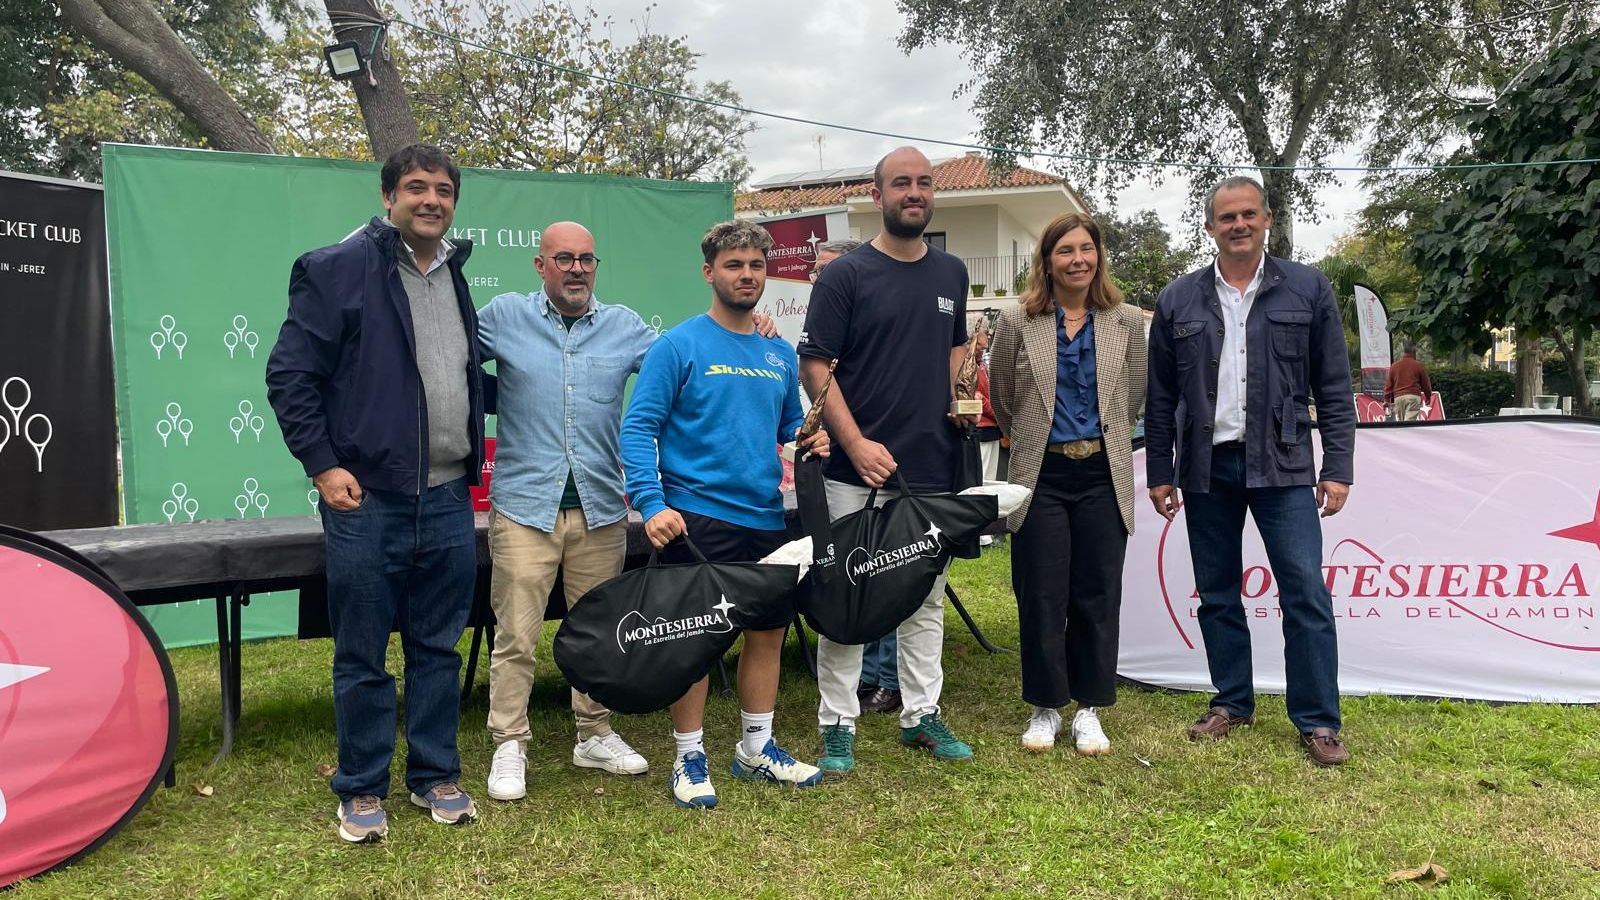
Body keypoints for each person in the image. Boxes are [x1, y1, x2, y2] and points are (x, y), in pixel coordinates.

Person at [478, 222, 781, 802]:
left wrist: (754, 329)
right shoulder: (503, 317)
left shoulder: (627, 328)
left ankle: (593, 732)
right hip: (524, 506)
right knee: (516, 635)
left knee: (602, 629)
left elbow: (692, 356)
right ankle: (509, 742)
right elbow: (447, 346)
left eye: (586, 259)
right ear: (540, 265)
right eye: (563, 259)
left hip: (599, 506)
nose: (576, 269)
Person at [266, 144, 482, 842]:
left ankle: (434, 776)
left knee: (437, 648)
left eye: (443, 190)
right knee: (361, 654)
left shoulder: (452, 273)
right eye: (416, 188)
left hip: (448, 497)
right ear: (387, 195)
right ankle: (359, 787)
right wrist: (325, 467)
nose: (431, 200)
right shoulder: (335, 270)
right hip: (367, 503)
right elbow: (290, 377)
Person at [1145, 176, 1357, 767]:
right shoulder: (1179, 299)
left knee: (1305, 592)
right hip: (1205, 468)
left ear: (1266, 220)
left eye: (1248, 215)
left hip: (1285, 464)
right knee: (1216, 592)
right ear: (1210, 227)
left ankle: (1317, 720)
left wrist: (1337, 466)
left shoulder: (1308, 289)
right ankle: (1230, 703)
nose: (1237, 225)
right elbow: (1160, 397)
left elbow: (1335, 387)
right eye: (1226, 217)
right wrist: (1160, 470)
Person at [620, 220, 829, 809]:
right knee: (694, 643)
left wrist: (808, 438)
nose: (747, 275)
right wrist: (651, 502)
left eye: (757, 265)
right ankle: (689, 756)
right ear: (709, 272)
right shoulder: (678, 346)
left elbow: (790, 423)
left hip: (766, 517)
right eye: (734, 265)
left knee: (766, 635)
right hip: (694, 519)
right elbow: (639, 428)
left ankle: (755, 749)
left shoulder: (775, 352)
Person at [798, 146, 976, 772]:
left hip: (930, 466)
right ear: (878, 195)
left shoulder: (952, 273)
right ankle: (837, 723)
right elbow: (815, 363)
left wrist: (960, 398)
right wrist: (854, 443)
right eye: (902, 183)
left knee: (926, 597)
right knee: (848, 597)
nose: (915, 193)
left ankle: (921, 715)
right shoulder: (846, 276)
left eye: (925, 184)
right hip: (856, 470)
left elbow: (955, 352)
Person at [989, 212, 1147, 755]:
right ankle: (1044, 707)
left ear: (1098, 256)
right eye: (1065, 251)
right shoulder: (1018, 321)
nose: (1078, 259)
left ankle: (1089, 709)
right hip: (1042, 474)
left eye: (1087, 249)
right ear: (1048, 261)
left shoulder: (1124, 320)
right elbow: (1005, 398)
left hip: (1103, 472)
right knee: (1040, 594)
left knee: (1097, 595)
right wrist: (1035, 436)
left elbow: (1133, 396)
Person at [813, 239, 901, 714]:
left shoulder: (872, 320)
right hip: (841, 468)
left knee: (886, 572)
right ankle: (865, 674)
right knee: (852, 574)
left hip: (887, 461)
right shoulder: (820, 334)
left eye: (830, 271)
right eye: (816, 272)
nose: (821, 280)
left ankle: (888, 677)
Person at [972, 320, 1002, 546]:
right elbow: (978, 399)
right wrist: (999, 414)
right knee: (981, 481)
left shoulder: (981, 363)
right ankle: (980, 533)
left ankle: (987, 531)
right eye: (985, 334)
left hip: (990, 429)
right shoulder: (970, 362)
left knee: (989, 480)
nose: (987, 339)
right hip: (982, 428)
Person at [1385, 341, 1433, 421]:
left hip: (1398, 398)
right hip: (1413, 397)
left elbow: (1389, 385)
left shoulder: (1394, 366)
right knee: (1409, 423)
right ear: (1414, 351)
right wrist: (1428, 396)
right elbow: (1425, 384)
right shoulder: (1419, 365)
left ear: (1404, 351)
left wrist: (1386, 400)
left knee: (1402, 423)